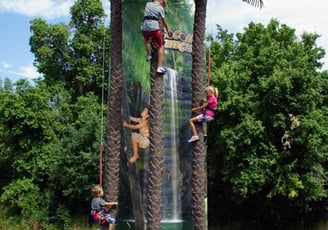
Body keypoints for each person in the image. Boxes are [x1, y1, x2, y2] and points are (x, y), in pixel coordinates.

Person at [140, 0, 169, 74]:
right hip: (154, 29)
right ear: (162, 3)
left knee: (146, 39)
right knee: (161, 46)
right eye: (163, 5)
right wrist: (168, 30)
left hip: (144, 27)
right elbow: (163, 21)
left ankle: (148, 55)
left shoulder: (148, 4)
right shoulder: (160, 8)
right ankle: (159, 67)